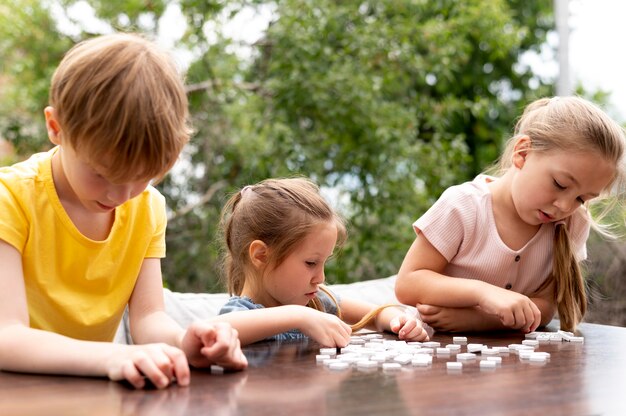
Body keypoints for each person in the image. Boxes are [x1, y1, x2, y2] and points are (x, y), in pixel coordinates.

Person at [0, 33, 247, 390]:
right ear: (56, 127)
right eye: (102, 173)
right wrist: (114, 356)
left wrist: (185, 343)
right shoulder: (11, 199)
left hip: (86, 396)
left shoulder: (147, 207)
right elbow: (6, 337)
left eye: (143, 176)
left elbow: (148, 319)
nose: (121, 194)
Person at [395, 96, 625, 333]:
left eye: (581, 199)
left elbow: (544, 307)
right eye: (560, 184)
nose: (565, 206)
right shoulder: (463, 205)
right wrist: (483, 294)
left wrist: (479, 319)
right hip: (428, 345)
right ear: (523, 153)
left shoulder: (572, 224)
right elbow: (408, 283)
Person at [215, 177, 430, 346]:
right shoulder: (239, 313)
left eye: (323, 263)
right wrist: (298, 316)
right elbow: (219, 329)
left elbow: (376, 314)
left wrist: (398, 321)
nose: (321, 278)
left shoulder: (317, 301)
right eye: (310, 263)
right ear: (261, 255)